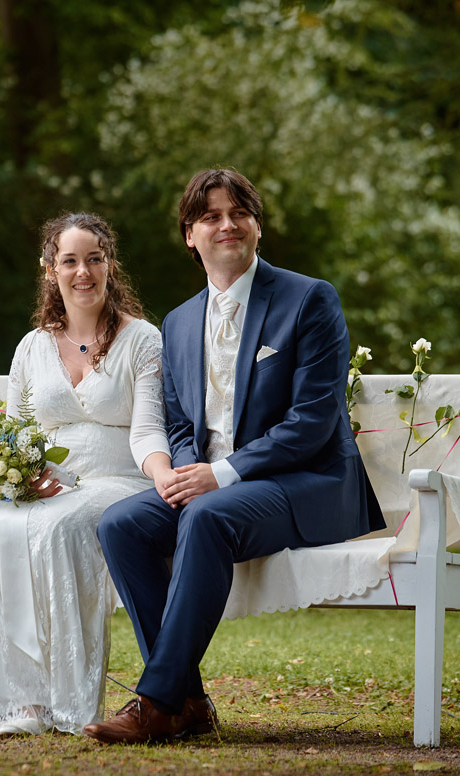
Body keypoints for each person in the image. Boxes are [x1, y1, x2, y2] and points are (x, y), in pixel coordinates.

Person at [85, 169, 384, 744]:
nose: (227, 225)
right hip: (214, 488)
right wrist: (178, 472)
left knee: (207, 514)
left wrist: (218, 475)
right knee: (121, 523)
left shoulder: (309, 299)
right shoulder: (176, 323)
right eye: (210, 216)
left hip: (305, 481)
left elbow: (313, 422)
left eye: (238, 213)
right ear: (189, 236)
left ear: (257, 226)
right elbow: (177, 423)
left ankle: (155, 704)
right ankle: (188, 702)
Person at [0, 213, 173, 739]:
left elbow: (148, 428)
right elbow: (16, 431)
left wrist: (164, 477)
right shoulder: (33, 346)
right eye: (70, 261)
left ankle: (63, 701)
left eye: (94, 259)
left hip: (118, 481)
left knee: (58, 529)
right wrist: (23, 475)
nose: (83, 272)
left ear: (110, 265)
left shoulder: (142, 340)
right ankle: (4, 700)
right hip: (43, 482)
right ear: (49, 270)